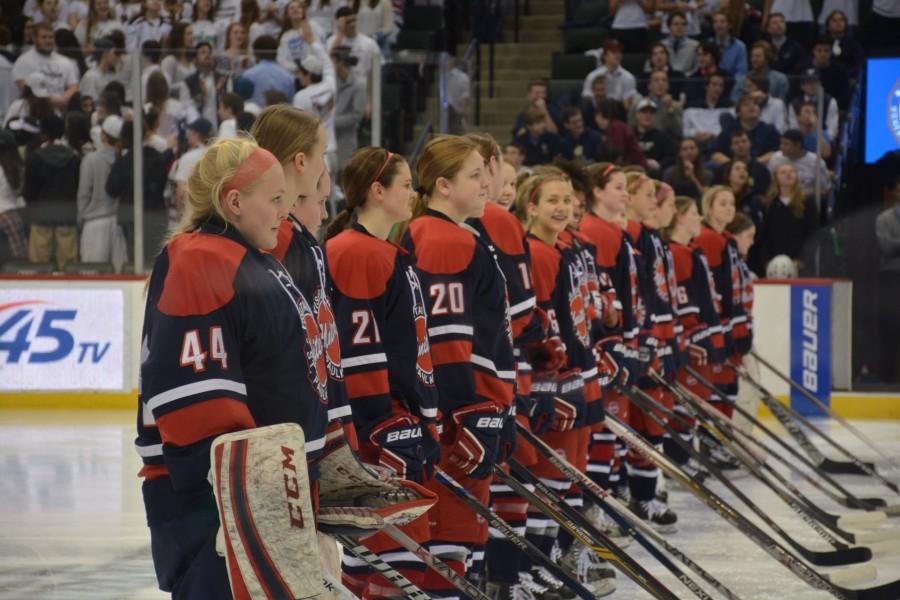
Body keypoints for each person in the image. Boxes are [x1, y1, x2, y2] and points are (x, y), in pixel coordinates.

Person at [136, 136, 332, 599]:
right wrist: (247, 504)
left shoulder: (249, 259)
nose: (286, 212)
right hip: (218, 504)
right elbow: (195, 399)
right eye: (276, 199)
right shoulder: (202, 259)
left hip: (259, 495)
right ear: (235, 201)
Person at [400, 135, 515, 597]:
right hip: (458, 420)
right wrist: (465, 412)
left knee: (458, 544)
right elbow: (444, 343)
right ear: (443, 186)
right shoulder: (443, 239)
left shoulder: (450, 234)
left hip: (468, 411)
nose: (486, 182)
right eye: (474, 175)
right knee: (447, 543)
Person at [322, 147, 438, 595]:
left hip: (396, 420)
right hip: (381, 428)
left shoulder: (384, 250)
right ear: (377, 191)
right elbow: (357, 354)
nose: (413, 193)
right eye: (405, 185)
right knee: (393, 565)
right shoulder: (355, 252)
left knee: (393, 559)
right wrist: (383, 424)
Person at [512, 168, 616, 597]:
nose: (562, 207)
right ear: (530, 207)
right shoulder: (535, 253)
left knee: (565, 476)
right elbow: (533, 327)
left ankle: (554, 555)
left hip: (576, 373)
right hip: (549, 381)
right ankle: (535, 562)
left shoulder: (565, 250)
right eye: (551, 200)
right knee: (545, 478)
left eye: (567, 199)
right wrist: (549, 378)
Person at [659, 195, 726, 473]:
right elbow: (682, 303)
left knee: (691, 403)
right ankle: (678, 460)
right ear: (679, 218)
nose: (699, 218)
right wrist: (694, 335)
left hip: (698, 336)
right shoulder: (677, 253)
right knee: (684, 404)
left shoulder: (690, 250)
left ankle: (684, 457)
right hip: (688, 339)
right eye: (694, 213)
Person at [694, 185, 752, 444]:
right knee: (717, 388)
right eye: (722, 204)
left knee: (727, 387)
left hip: (728, 326)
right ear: (708, 208)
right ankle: (711, 443)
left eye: (731, 203)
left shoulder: (724, 239)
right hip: (718, 327)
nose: (729, 208)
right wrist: (727, 329)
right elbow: (714, 289)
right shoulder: (709, 239)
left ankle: (719, 443)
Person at [24, 114, 80, 268]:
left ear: (44, 133)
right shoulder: (73, 157)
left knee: (38, 263)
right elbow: (76, 186)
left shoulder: (35, 157)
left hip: (41, 213)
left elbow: (29, 191)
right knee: (68, 264)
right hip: (67, 213)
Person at [77, 114, 126, 269]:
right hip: (117, 224)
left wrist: (82, 216)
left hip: (93, 224)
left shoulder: (90, 160)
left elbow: (83, 194)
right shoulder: (123, 160)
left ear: (103, 135)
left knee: (93, 277)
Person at [761, 162, 818, 268]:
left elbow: (812, 232)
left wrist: (803, 259)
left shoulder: (807, 202)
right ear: (776, 178)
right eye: (783, 172)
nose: (789, 174)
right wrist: (766, 259)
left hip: (799, 261)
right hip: (774, 261)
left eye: (792, 172)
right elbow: (765, 235)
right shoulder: (769, 204)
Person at [12, 22, 79, 112]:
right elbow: (23, 86)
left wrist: (63, 99)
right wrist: (50, 100)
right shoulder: (23, 61)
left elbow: (73, 86)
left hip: (59, 111)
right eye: (44, 37)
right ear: (34, 38)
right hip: (33, 111)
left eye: (51, 37)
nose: (48, 41)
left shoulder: (65, 61)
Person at [293, 52, 338, 174]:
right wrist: (313, 43)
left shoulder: (301, 96)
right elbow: (329, 66)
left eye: (301, 73)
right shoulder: (330, 86)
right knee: (330, 191)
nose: (298, 76)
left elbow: (298, 127)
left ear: (309, 75)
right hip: (332, 148)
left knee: (318, 192)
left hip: (315, 153)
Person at [712, 95, 781, 165]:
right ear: (738, 113)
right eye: (746, 105)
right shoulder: (729, 130)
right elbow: (715, 153)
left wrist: (755, 163)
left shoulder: (769, 129)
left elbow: (777, 152)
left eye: (755, 104)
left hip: (762, 165)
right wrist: (733, 165)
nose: (752, 107)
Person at [767, 129, 830, 197]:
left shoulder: (816, 162)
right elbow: (770, 184)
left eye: (786, 144)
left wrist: (799, 195)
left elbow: (825, 189)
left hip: (807, 199)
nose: (781, 147)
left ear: (798, 145)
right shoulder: (776, 158)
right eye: (781, 143)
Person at [332, 47, 366, 171]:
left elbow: (357, 115)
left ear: (340, 62)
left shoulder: (358, 85)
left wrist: (333, 122)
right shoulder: (332, 81)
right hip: (330, 137)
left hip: (346, 138)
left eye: (333, 62)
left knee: (344, 171)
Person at [627, 69, 683, 141]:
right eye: (656, 80)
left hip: (667, 143)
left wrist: (670, 108)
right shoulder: (638, 104)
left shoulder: (676, 106)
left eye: (664, 80)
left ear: (668, 86)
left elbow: (678, 132)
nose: (660, 83)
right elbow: (630, 128)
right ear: (649, 86)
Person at [581, 39, 639, 107]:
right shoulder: (593, 76)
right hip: (597, 110)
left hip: (620, 112)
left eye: (619, 52)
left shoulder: (628, 77)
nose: (618, 55)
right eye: (614, 52)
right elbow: (587, 98)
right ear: (604, 55)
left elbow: (629, 102)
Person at [243, 34, 296, 107]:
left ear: (255, 53)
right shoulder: (288, 77)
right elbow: (291, 104)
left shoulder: (248, 75)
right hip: (280, 115)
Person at [592, 99, 646, 167]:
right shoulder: (617, 126)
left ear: (599, 115)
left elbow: (618, 154)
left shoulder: (616, 127)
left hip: (634, 168)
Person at [277, 0, 326, 74]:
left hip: (312, 72)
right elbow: (281, 59)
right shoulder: (286, 36)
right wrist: (297, 68)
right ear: (287, 14)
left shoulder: (313, 27)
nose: (295, 9)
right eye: (292, 8)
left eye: (299, 7)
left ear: (303, 11)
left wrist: (308, 65)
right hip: (294, 75)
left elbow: (320, 49)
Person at [632, 98, 677, 175]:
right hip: (633, 171)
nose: (648, 116)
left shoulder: (662, 136)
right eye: (644, 112)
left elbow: (671, 156)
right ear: (637, 115)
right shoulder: (629, 134)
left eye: (651, 113)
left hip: (656, 173)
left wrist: (659, 164)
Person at [0, 130, 26, 260]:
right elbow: (20, 192)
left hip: (6, 214)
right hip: (11, 217)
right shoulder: (17, 167)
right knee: (17, 261)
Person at [183, 41, 222, 125]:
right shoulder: (189, 82)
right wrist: (201, 97)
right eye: (203, 52)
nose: (207, 55)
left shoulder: (222, 79)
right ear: (196, 58)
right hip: (198, 128)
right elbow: (185, 108)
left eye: (209, 53)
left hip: (219, 126)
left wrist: (219, 92)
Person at [821, 10, 863, 80]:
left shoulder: (853, 44)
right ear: (827, 25)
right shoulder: (821, 42)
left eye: (841, 20)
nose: (838, 23)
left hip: (848, 78)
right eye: (834, 20)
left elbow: (858, 63)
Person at [709, 10, 747, 78]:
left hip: (731, 83)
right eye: (715, 22)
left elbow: (741, 73)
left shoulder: (740, 47)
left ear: (730, 25)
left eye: (722, 22)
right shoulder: (708, 44)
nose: (718, 25)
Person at [660, 11, 699, 75]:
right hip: (665, 79)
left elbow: (697, 67)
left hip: (687, 80)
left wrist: (685, 76)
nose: (680, 27)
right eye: (676, 24)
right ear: (669, 27)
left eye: (683, 24)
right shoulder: (661, 45)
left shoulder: (695, 45)